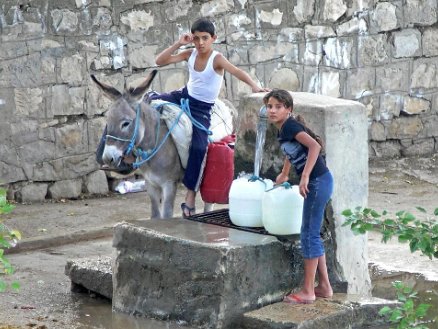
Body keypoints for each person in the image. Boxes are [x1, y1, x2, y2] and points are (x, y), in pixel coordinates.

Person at [152, 17, 269, 218]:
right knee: (148, 100)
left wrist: (255, 86)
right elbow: (159, 61)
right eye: (196, 38)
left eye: (205, 38)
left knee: (198, 147)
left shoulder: (217, 59)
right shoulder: (189, 53)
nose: (200, 43)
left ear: (214, 38)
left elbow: (237, 71)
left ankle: (190, 196)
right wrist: (179, 43)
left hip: (202, 109)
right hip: (184, 96)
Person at [263, 89, 333, 304]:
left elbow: (315, 146)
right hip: (318, 182)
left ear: (289, 109)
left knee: (308, 234)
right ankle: (324, 287)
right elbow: (291, 151)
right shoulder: (283, 128)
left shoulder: (291, 125)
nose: (273, 110)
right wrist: (284, 173)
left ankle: (308, 292)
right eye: (270, 106)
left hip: (317, 182)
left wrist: (304, 177)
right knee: (311, 232)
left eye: (278, 107)